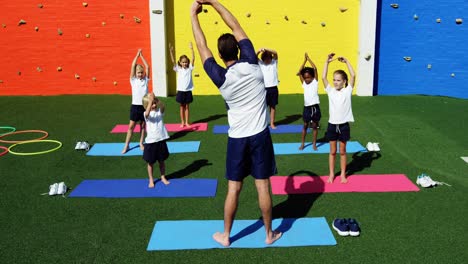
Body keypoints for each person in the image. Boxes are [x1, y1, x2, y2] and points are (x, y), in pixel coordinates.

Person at [190, 0, 282, 247]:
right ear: (239, 49)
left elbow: (201, 46)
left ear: (221, 56)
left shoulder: (220, 76)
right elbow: (235, 25)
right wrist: (213, 2)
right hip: (260, 136)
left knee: (234, 189)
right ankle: (268, 234)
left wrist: (193, 13)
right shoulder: (252, 62)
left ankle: (227, 236)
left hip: (238, 139)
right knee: (263, 187)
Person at [322, 53, 356, 184]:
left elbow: (353, 75)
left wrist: (347, 61)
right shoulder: (330, 91)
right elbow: (323, 77)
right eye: (334, 80)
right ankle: (331, 174)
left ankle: (342, 174)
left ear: (344, 81)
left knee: (342, 151)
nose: (336, 82)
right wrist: (327, 61)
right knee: (332, 151)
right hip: (332, 125)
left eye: (338, 80)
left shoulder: (347, 91)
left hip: (343, 126)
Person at [122, 49, 150, 154]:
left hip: (144, 106)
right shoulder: (133, 81)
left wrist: (142, 56)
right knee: (131, 127)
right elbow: (132, 66)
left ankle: (141, 143)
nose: (140, 74)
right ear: (135, 73)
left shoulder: (146, 80)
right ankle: (126, 145)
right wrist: (137, 55)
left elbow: (147, 67)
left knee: (142, 126)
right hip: (135, 107)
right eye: (138, 72)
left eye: (142, 73)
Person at [142, 92, 170, 188]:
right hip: (151, 142)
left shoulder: (159, 112)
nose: (154, 105)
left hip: (161, 140)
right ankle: (151, 179)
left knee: (162, 161)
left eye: (154, 103)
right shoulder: (146, 114)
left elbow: (163, 106)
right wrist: (150, 100)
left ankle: (163, 177)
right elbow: (147, 113)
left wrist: (156, 99)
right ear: (146, 105)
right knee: (150, 163)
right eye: (151, 104)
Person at [297, 52, 321, 151]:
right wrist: (304, 60)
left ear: (312, 77)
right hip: (307, 108)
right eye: (305, 77)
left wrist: (309, 59)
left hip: (315, 107)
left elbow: (315, 69)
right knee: (305, 125)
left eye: (308, 77)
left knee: (315, 126)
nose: (307, 79)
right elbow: (300, 71)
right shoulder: (304, 84)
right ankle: (303, 143)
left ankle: (314, 144)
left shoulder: (315, 82)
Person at [169, 42, 195, 128]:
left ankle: (187, 122)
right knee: (181, 106)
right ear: (180, 63)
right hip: (180, 90)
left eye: (186, 62)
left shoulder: (190, 68)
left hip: (188, 90)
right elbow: (173, 61)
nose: (185, 64)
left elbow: (193, 59)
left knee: (187, 106)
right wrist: (171, 52)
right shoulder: (178, 69)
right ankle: (182, 122)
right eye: (183, 62)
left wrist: (191, 49)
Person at [256, 47, 279, 129]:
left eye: (269, 58)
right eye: (265, 59)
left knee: (273, 107)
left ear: (271, 58)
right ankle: (263, 123)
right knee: (263, 107)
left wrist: (267, 50)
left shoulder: (274, 63)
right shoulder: (261, 64)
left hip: (273, 88)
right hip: (264, 89)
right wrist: (258, 51)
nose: (267, 60)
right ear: (263, 59)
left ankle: (272, 123)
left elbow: (275, 53)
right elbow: (255, 57)